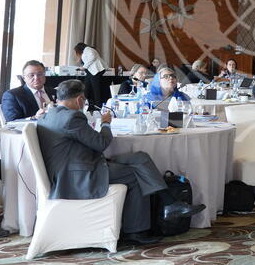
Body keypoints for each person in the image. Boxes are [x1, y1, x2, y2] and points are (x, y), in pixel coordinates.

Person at [37, 80, 203, 244]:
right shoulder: (72, 117)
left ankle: (170, 203)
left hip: (79, 164)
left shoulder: (48, 115)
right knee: (136, 175)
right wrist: (106, 124)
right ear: (80, 99)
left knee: (140, 158)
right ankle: (135, 232)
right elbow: (101, 143)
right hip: (79, 175)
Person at [74, 41, 108, 107]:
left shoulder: (88, 49)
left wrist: (84, 67)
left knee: (96, 89)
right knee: (87, 87)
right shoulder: (86, 51)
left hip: (96, 71)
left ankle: (98, 105)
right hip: (91, 72)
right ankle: (85, 104)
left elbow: (92, 57)